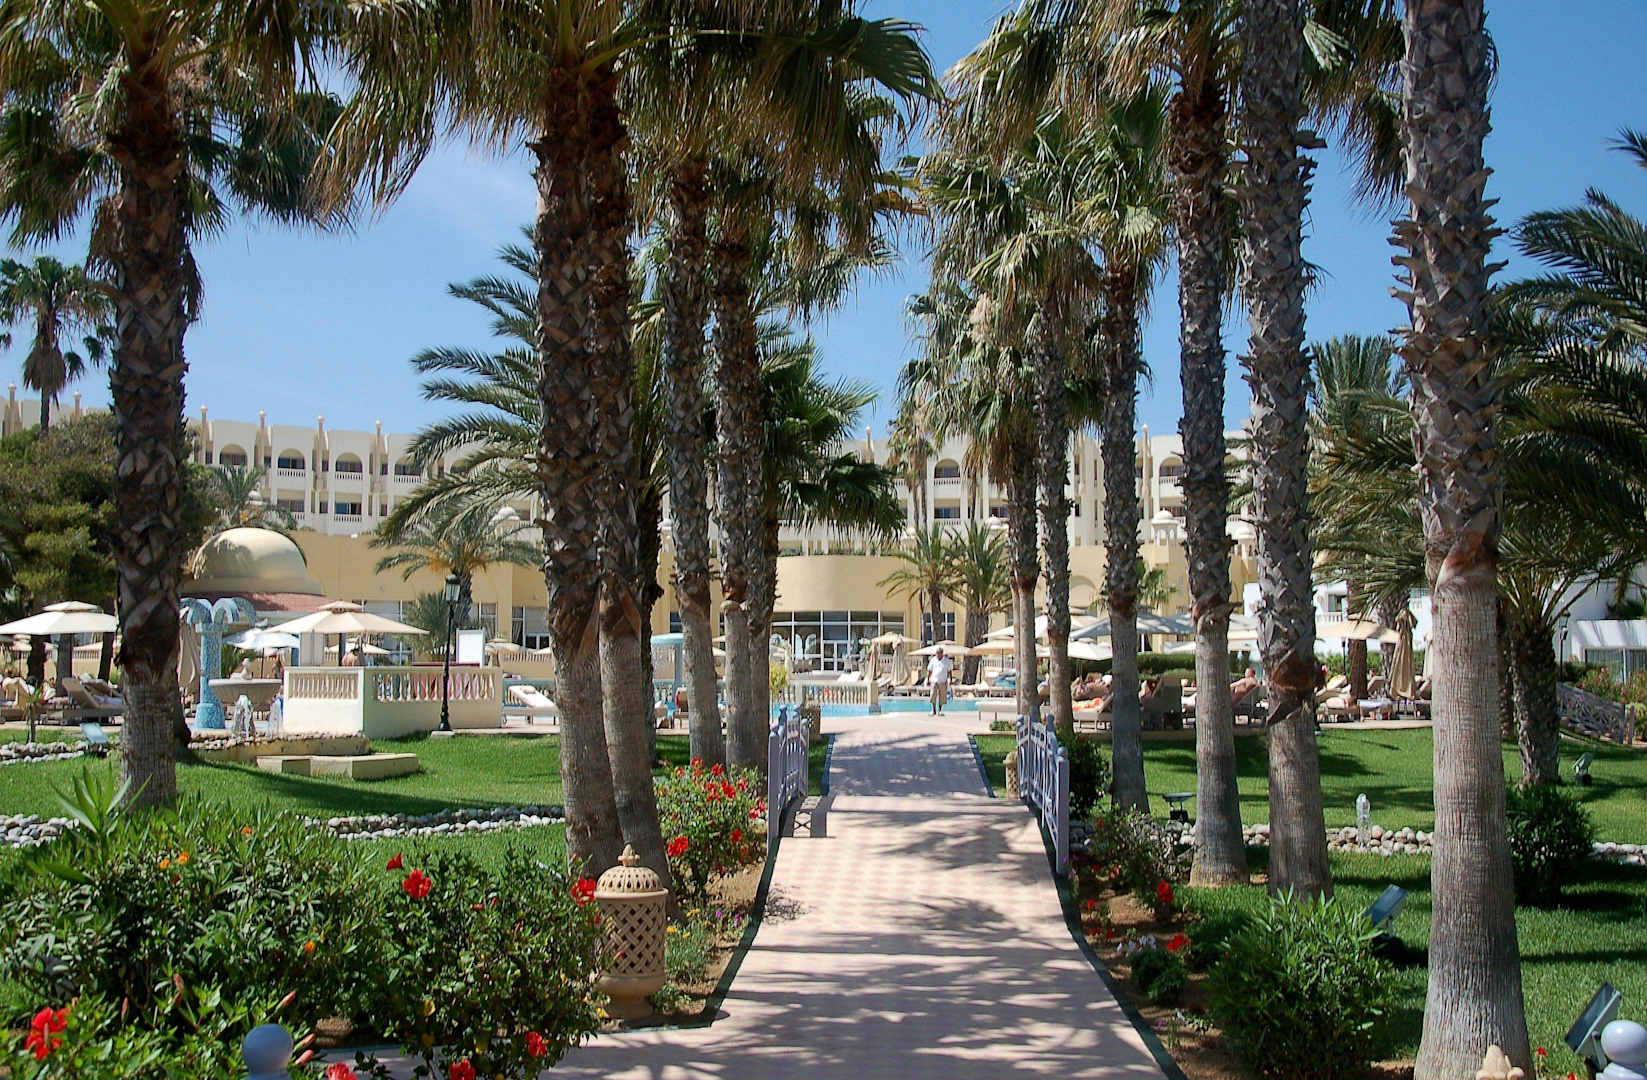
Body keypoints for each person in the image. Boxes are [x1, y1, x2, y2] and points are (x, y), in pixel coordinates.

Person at [927, 646, 953, 715]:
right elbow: (929, 670)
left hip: (943, 681)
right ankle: (933, 710)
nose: (938, 654)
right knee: (933, 695)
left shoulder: (946, 661)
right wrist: (928, 679)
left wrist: (950, 679)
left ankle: (940, 710)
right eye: (937, 653)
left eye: (939, 653)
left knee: (942, 696)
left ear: (942, 653)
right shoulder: (933, 660)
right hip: (934, 680)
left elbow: (949, 671)